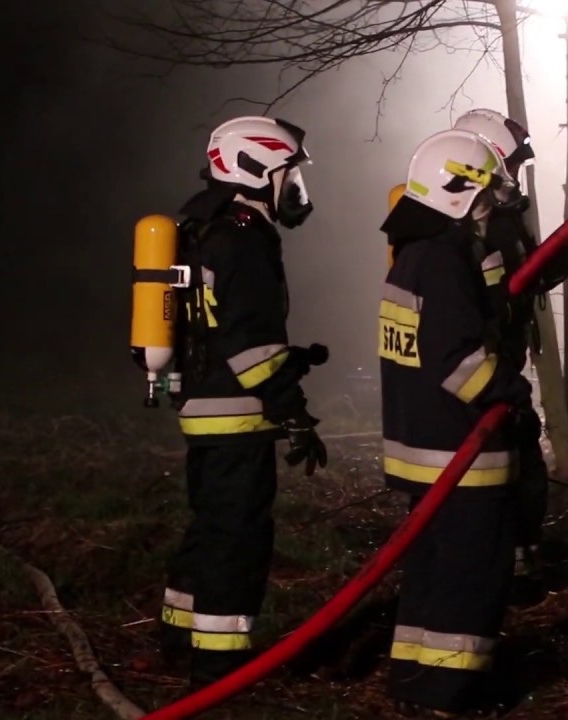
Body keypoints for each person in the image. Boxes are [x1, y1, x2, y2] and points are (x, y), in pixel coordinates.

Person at [157, 115, 329, 687]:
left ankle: (178, 636)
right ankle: (219, 662)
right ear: (255, 171)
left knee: (210, 527)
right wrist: (293, 412)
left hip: (202, 407)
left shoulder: (201, 230)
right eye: (288, 174)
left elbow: (215, 328)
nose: (295, 188)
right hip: (237, 416)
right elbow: (252, 347)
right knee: (237, 538)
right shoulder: (245, 238)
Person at [380, 128, 534, 717]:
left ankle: (415, 680)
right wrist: (512, 393)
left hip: (424, 445)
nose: (493, 206)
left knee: (431, 571)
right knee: (472, 575)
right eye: (488, 195)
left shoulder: (414, 254)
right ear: (460, 192)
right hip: (460, 450)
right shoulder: (445, 261)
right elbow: (458, 363)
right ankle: (451, 694)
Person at [453, 108, 568, 607]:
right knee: (497, 469)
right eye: (508, 165)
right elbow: (476, 303)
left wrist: (552, 263)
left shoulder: (501, 220)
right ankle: (494, 567)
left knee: (523, 464)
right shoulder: (458, 228)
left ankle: (520, 562)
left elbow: (517, 282)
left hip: (503, 361)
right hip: (477, 371)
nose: (513, 177)